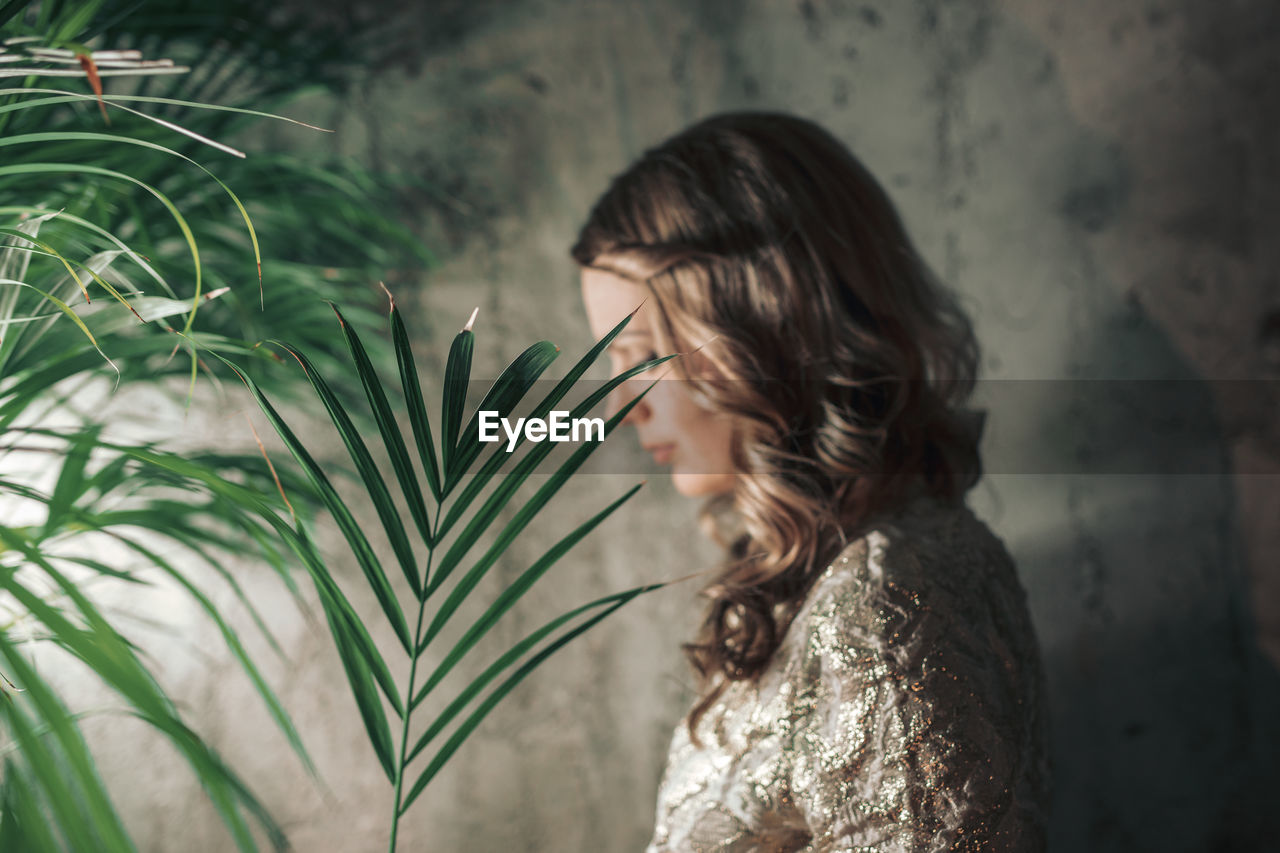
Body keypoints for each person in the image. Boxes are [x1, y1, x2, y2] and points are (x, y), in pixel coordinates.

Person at [574, 112, 1050, 852]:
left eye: (639, 352)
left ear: (761, 331)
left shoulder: (880, 595)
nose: (621, 405)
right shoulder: (828, 575)